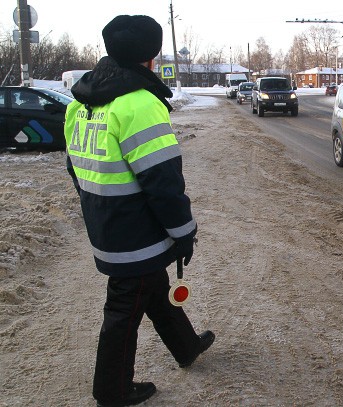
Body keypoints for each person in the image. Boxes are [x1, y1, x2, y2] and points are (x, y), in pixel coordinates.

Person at [64, 15, 215, 407]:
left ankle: (186, 347)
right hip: (136, 235)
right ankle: (111, 392)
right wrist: (183, 232)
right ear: (151, 57)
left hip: (107, 226)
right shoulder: (140, 104)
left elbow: (74, 169)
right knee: (124, 308)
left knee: (154, 290)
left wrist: (98, 208)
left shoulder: (79, 104)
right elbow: (163, 182)